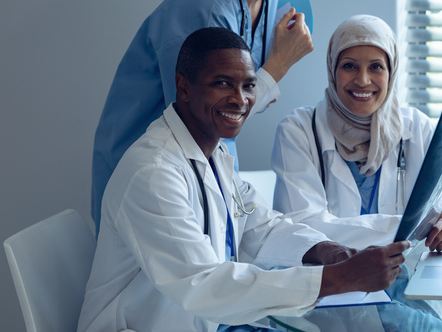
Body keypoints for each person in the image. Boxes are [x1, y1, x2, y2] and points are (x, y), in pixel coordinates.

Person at [78, 27, 409, 332]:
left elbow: (260, 227)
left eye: (249, 85)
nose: (240, 99)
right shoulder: (153, 173)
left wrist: (325, 251)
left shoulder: (214, 154)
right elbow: (203, 285)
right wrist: (335, 279)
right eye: (222, 83)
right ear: (183, 86)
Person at [91, 0, 338, 229]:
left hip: (198, 164)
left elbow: (230, 110)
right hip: (150, 179)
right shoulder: (205, 13)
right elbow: (206, 117)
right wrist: (280, 64)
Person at [272, 15, 442, 252]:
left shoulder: (415, 128)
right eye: (349, 66)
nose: (363, 80)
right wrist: (415, 223)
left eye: (376, 67)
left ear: (391, 71)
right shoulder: (299, 131)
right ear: (333, 69)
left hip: (401, 281)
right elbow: (303, 226)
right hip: (329, 282)